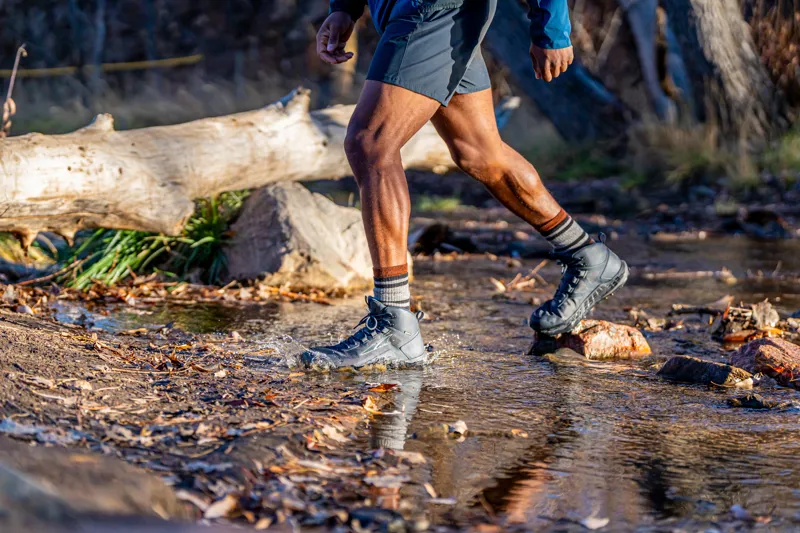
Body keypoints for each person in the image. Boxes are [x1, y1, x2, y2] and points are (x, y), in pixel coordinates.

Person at [302, 0, 628, 369]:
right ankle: (587, 256)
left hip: (436, 8)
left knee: (370, 143)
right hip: (414, 11)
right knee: (480, 153)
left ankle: (394, 323)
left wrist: (552, 26)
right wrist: (345, 8)